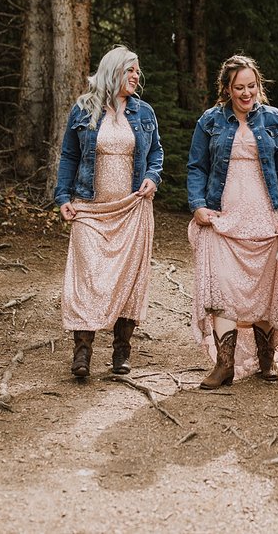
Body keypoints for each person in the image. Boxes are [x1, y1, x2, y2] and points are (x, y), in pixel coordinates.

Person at [187, 55, 278, 389]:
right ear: (227, 89)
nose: (247, 93)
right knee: (221, 285)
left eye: (252, 86)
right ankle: (225, 365)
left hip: (265, 215)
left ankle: (267, 360)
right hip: (224, 215)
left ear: (258, 85)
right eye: (239, 88)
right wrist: (198, 205)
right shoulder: (210, 121)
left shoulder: (276, 120)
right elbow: (197, 166)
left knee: (264, 287)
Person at [54, 45, 163, 378]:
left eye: (137, 71)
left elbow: (156, 153)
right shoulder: (83, 110)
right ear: (113, 71)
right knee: (87, 278)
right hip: (91, 207)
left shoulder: (144, 113)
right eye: (130, 70)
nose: (136, 76)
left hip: (132, 207)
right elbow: (69, 156)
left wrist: (151, 177)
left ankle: (121, 352)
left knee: (129, 280)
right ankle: (82, 352)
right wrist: (63, 196)